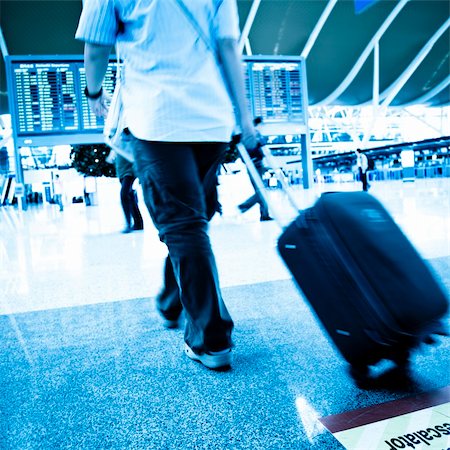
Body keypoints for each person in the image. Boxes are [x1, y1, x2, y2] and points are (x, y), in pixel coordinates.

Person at [76, 0, 258, 370]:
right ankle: (173, 301)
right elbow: (228, 50)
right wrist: (245, 119)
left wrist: (94, 95)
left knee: (182, 226)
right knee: (191, 223)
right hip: (212, 122)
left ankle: (210, 339)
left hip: (157, 120)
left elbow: (96, 47)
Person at [235, 116, 272, 221]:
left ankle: (264, 214)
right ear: (258, 125)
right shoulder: (254, 136)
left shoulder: (255, 136)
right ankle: (244, 206)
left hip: (257, 165)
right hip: (255, 166)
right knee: (261, 191)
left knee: (261, 190)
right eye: (262, 125)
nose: (263, 127)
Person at [115, 153, 144, 234]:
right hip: (122, 173)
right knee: (130, 198)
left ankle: (128, 224)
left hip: (129, 173)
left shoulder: (125, 143)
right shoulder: (116, 146)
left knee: (124, 195)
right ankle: (138, 224)